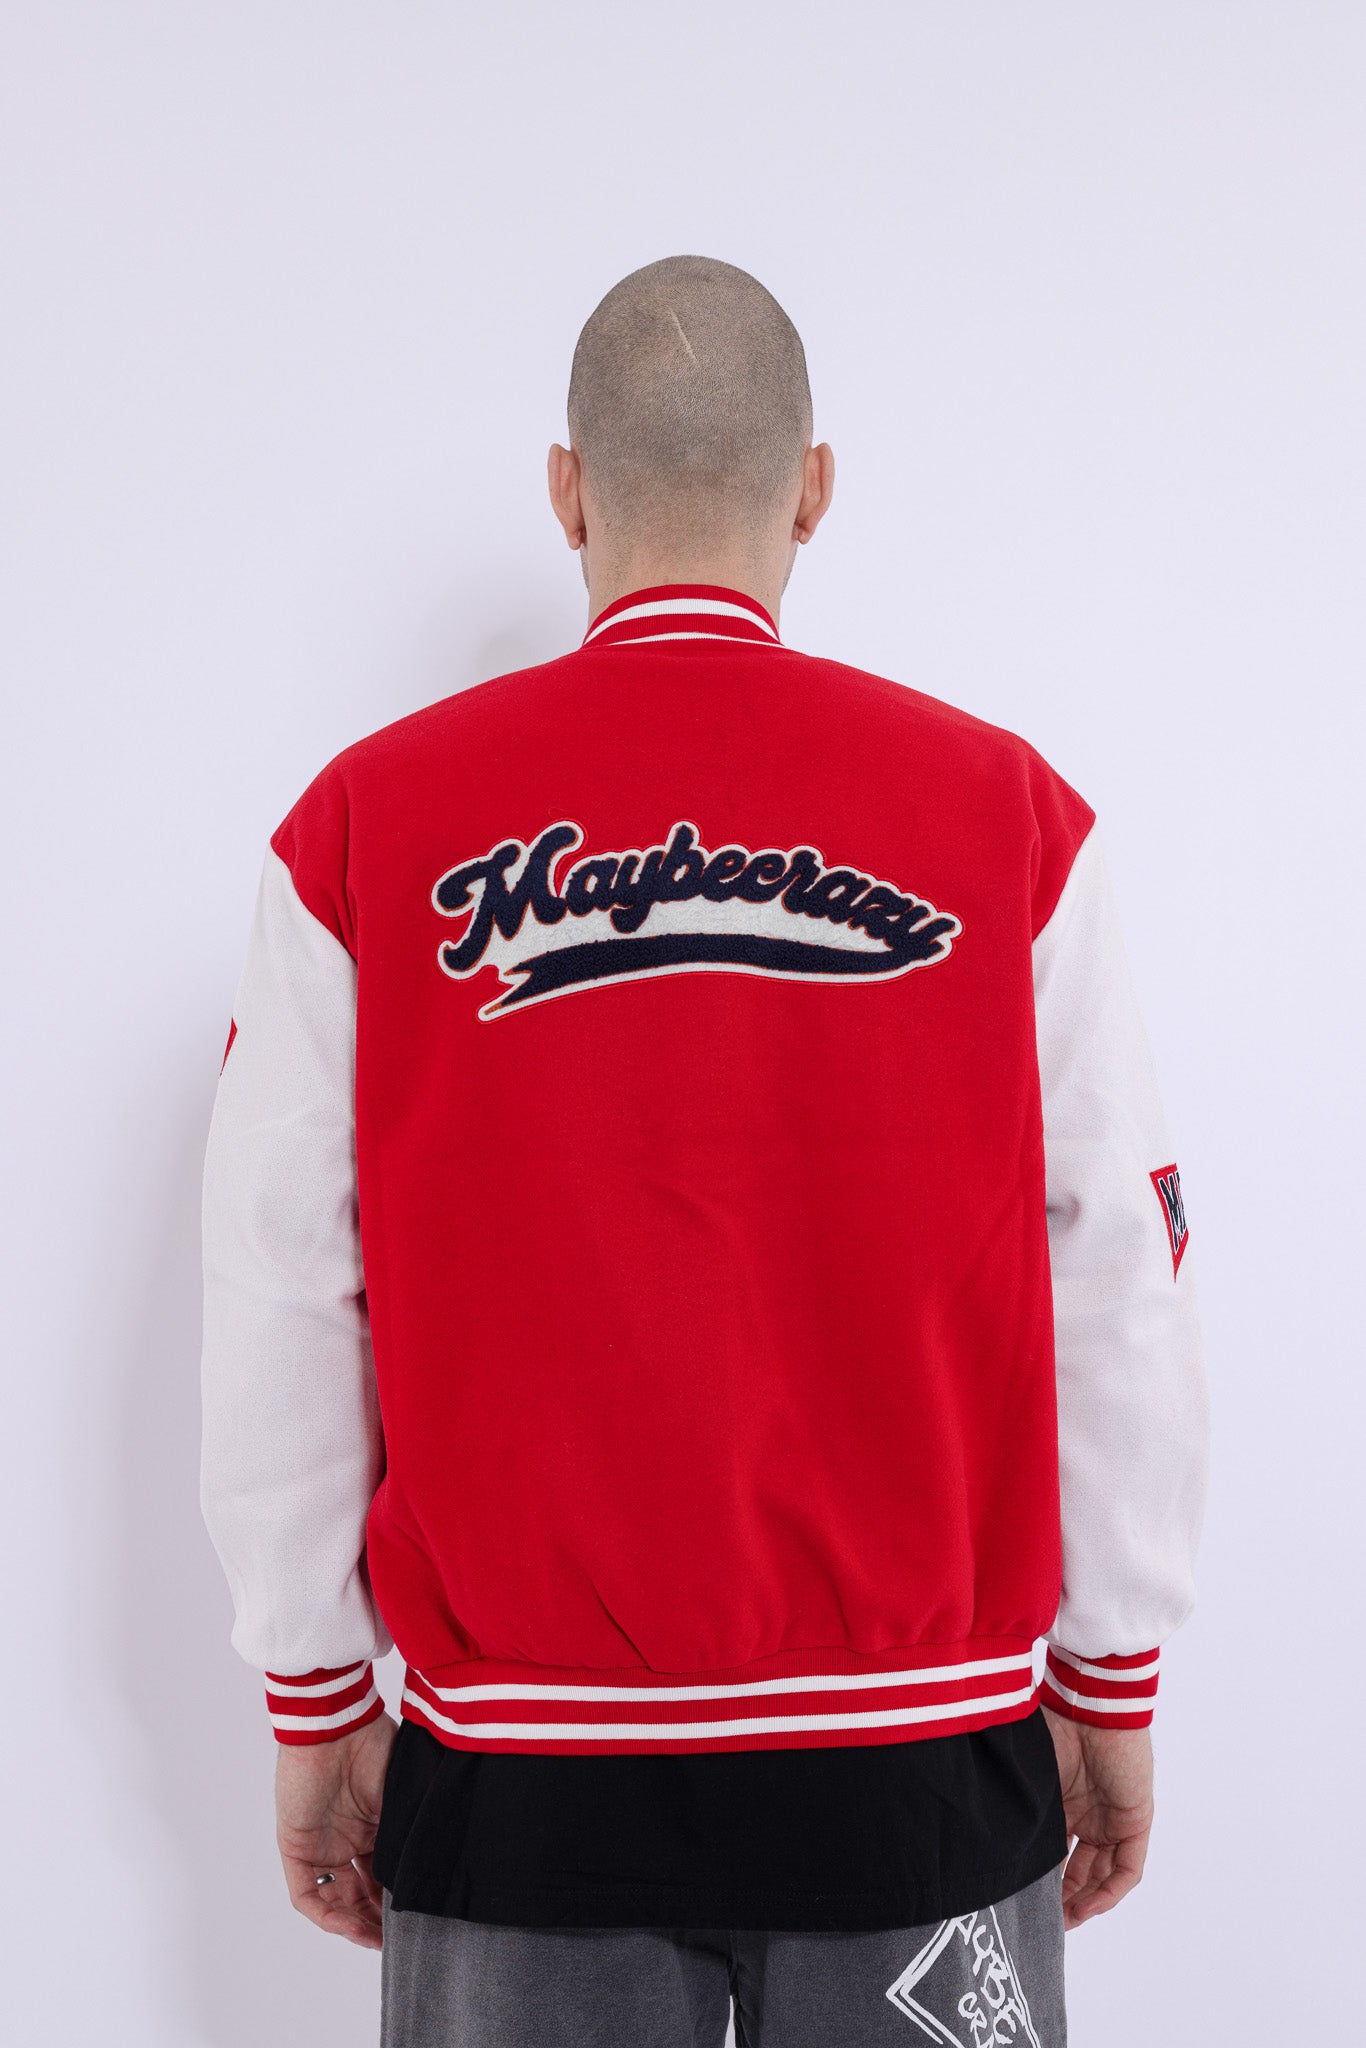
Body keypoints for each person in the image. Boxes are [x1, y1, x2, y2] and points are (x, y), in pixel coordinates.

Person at [200, 254, 1209, 2046]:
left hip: (521, 1791)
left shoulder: (363, 828)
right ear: (812, 487)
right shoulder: (1006, 820)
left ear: (567, 492)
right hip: (915, 1768)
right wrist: (1110, 1670)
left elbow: (278, 1276)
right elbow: (1117, 1265)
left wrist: (313, 1692)